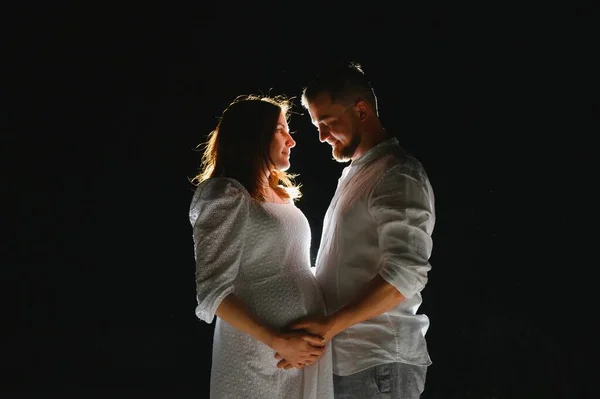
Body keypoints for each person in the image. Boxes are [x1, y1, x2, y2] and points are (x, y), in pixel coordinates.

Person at [275, 61, 436, 398]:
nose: (321, 136)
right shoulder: (357, 174)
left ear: (361, 110)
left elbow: (405, 275)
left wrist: (328, 327)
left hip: (379, 361)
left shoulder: (397, 173)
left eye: (327, 122)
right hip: (350, 360)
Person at [189, 94, 334, 398]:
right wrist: (278, 340)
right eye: (281, 129)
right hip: (258, 356)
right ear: (254, 134)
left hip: (301, 355)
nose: (291, 140)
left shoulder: (283, 197)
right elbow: (213, 291)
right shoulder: (225, 194)